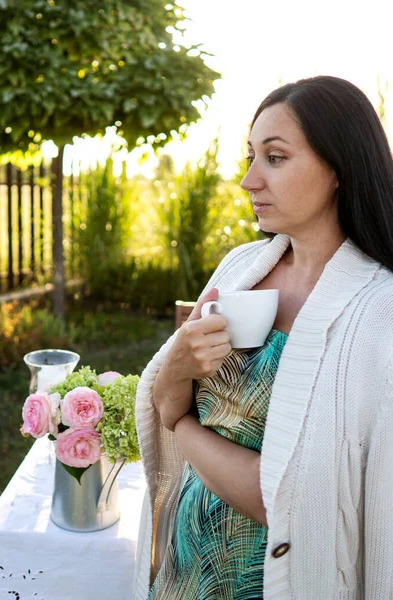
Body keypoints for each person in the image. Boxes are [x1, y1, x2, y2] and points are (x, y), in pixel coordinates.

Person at [133, 75, 393, 600]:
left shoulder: (378, 315)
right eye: (250, 157)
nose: (249, 180)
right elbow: (163, 396)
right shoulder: (241, 267)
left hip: (273, 584)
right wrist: (178, 369)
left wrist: (180, 422)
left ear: (339, 167)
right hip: (183, 569)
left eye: (274, 158)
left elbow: (287, 502)